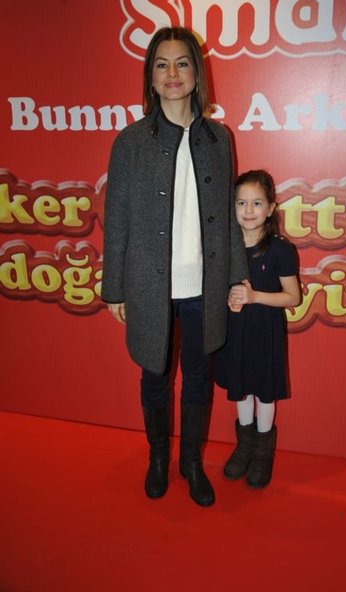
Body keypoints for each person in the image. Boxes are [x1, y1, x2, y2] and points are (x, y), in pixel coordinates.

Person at [101, 26, 248, 507]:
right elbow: (116, 219)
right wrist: (114, 287)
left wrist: (235, 276)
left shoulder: (219, 139)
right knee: (154, 375)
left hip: (204, 284)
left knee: (199, 378)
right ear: (150, 76)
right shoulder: (130, 142)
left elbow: (227, 214)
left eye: (182, 63)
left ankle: (191, 463)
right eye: (161, 64)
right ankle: (159, 458)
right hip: (149, 284)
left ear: (197, 73)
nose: (172, 73)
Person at [215, 169, 300, 488]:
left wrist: (254, 297)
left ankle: (263, 455)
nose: (248, 210)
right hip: (235, 330)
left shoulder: (280, 249)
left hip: (265, 331)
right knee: (241, 388)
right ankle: (244, 448)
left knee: (264, 393)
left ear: (271, 208)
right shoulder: (225, 245)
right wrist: (228, 299)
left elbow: (293, 297)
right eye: (241, 203)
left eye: (257, 203)